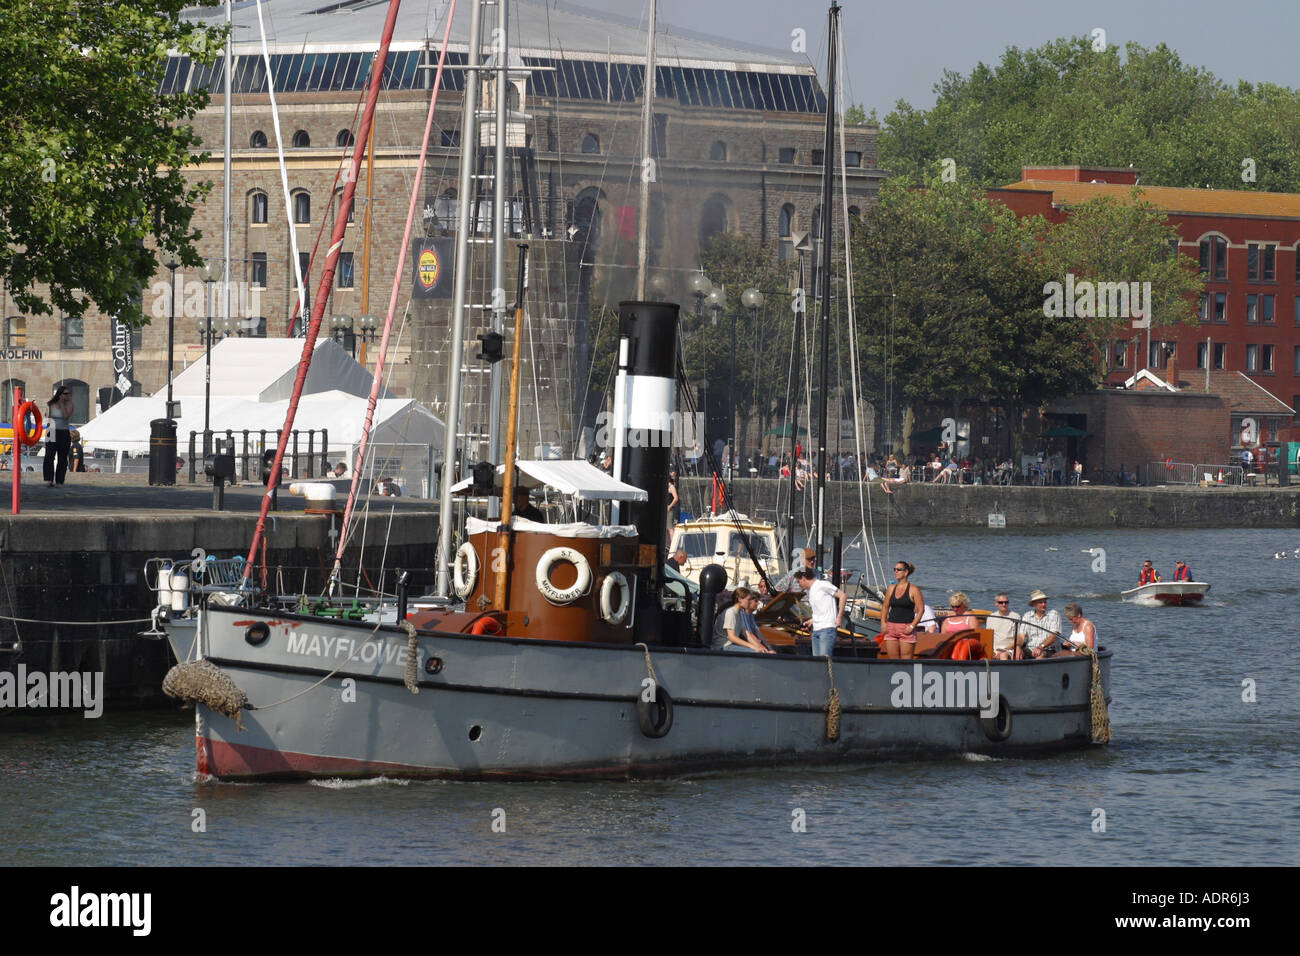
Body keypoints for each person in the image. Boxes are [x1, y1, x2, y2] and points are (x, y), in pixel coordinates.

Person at [794, 570, 846, 658]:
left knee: (824, 661)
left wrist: (839, 617)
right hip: (816, 631)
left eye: (798, 582)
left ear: (803, 579)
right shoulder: (811, 592)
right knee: (816, 662)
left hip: (827, 629)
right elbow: (821, 611)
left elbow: (842, 595)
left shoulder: (822, 584)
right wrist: (811, 621)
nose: (799, 585)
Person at [879, 560, 923, 660]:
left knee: (906, 661)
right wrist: (883, 623)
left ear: (906, 572)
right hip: (891, 627)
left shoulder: (914, 589)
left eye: (898, 570)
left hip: (906, 628)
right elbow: (885, 607)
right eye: (894, 569)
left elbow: (921, 610)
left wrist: (912, 626)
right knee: (892, 660)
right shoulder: (890, 588)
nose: (895, 571)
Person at [714, 587, 773, 654]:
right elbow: (732, 637)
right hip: (723, 647)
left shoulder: (738, 613)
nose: (750, 602)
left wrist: (763, 649)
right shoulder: (731, 612)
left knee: (760, 652)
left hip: (731, 645)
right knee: (755, 653)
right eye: (748, 599)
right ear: (740, 599)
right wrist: (753, 647)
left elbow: (747, 635)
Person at [43, 386, 74, 487]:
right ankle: (48, 479)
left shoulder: (70, 404)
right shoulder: (51, 404)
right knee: (49, 455)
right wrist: (46, 436)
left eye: (69, 393)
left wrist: (61, 404)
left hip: (63, 432)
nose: (68, 395)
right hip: (51, 430)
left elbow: (65, 416)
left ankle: (59, 481)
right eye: (65, 393)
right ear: (60, 395)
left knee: (62, 457)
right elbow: (49, 419)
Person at [1020, 589, 1063, 658]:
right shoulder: (1027, 616)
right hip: (1030, 649)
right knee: (1017, 653)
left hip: (1049, 650)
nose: (1044, 604)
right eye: (1040, 602)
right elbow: (1021, 636)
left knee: (1040, 655)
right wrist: (1018, 647)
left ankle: (1036, 668)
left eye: (1045, 602)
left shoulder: (1054, 614)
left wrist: (1041, 647)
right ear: (1034, 604)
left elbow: (1054, 635)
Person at [988, 593, 1023, 660]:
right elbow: (988, 637)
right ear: (996, 603)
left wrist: (1004, 650)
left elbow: (1017, 638)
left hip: (1008, 649)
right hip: (994, 649)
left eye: (1006, 602)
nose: (1004, 604)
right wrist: (991, 651)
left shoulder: (1015, 617)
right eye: (1001, 602)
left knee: (1003, 655)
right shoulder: (991, 617)